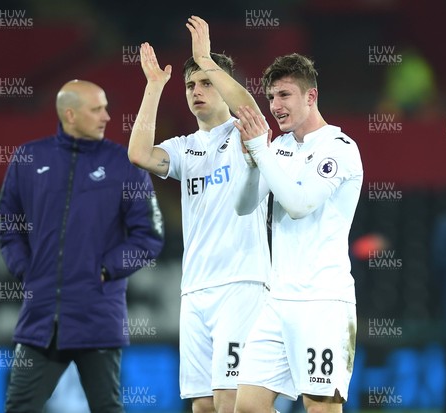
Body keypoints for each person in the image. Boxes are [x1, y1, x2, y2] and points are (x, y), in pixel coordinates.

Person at [127, 16, 271, 413]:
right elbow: (139, 154)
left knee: (231, 403)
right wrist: (154, 88)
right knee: (203, 406)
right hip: (195, 291)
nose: (196, 90)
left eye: (206, 82)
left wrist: (206, 60)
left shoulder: (246, 131)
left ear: (223, 87)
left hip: (240, 283)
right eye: (191, 84)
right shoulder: (184, 147)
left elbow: (248, 105)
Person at [0, 79, 165, 412]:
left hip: (98, 318)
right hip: (40, 319)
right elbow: (8, 224)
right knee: (19, 406)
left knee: (107, 408)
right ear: (70, 114)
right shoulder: (29, 158)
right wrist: (25, 270)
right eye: (97, 109)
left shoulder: (124, 164)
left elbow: (149, 236)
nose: (107, 116)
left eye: (106, 107)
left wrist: (104, 269)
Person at [231, 53, 363, 413]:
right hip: (278, 301)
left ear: (311, 96)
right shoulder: (279, 147)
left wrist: (260, 149)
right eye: (271, 97)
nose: (275, 106)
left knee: (319, 408)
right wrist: (251, 162)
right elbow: (243, 206)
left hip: (322, 303)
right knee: (248, 405)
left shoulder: (339, 149)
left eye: (284, 95)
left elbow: (299, 204)